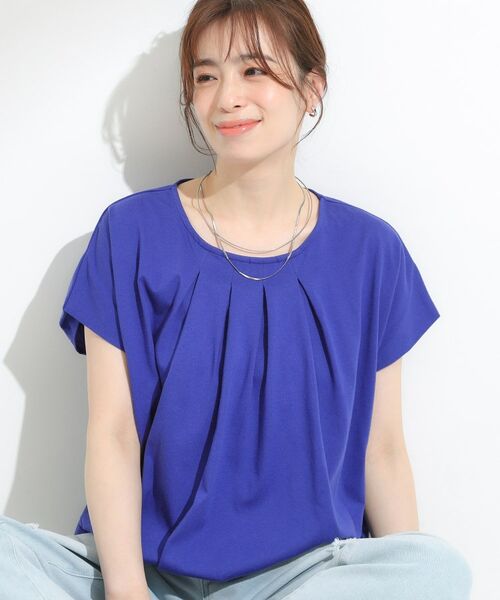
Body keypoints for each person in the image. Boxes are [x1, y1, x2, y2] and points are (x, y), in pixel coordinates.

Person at [0, 1, 473, 599]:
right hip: (142, 573)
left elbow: (381, 450)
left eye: (253, 70)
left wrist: (404, 570)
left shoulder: (369, 252)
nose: (227, 97)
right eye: (206, 76)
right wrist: (127, 591)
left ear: (312, 87)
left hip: (304, 580)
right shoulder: (131, 233)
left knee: (438, 569)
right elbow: (113, 433)